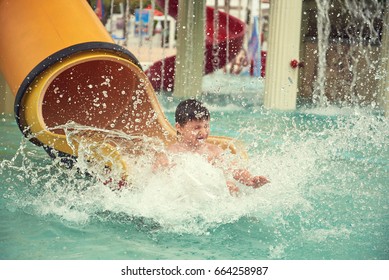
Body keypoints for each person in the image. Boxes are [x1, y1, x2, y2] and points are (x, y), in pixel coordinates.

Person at [153, 99, 269, 195]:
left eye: (206, 126)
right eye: (197, 128)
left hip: (209, 194)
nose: (203, 132)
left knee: (231, 187)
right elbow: (158, 178)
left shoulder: (213, 151)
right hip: (186, 195)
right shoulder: (171, 153)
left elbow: (234, 168)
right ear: (179, 128)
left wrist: (250, 180)